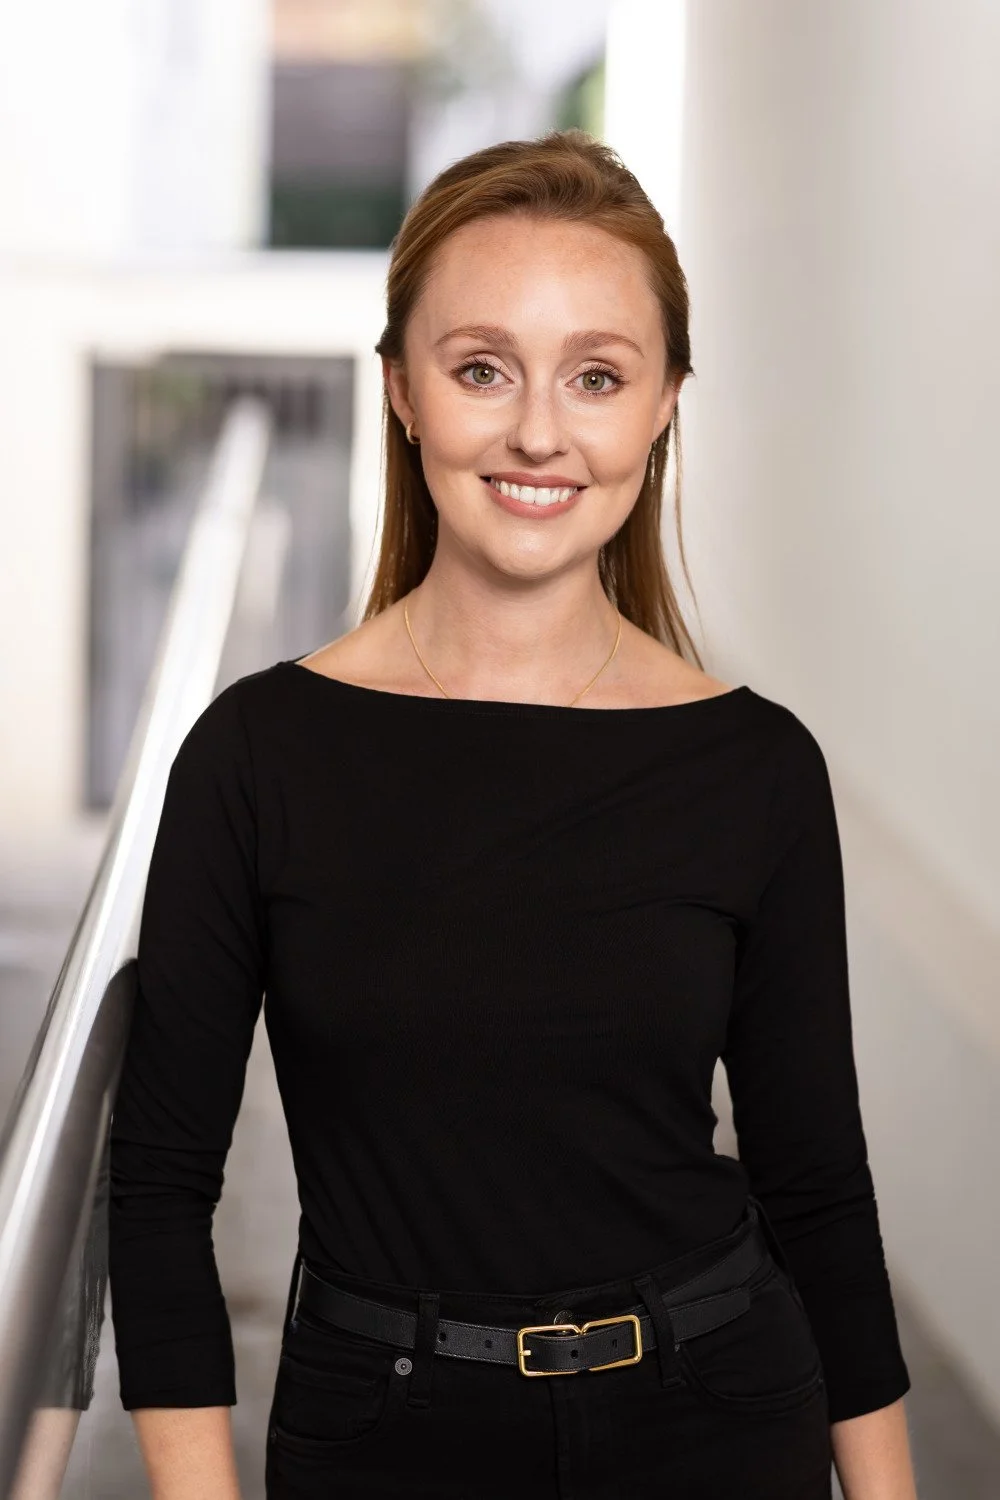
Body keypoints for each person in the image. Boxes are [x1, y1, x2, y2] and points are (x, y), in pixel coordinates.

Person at [108, 130, 916, 1499]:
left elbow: (818, 1190)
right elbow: (160, 1192)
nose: (540, 430)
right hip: (385, 1435)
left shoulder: (755, 768)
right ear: (403, 393)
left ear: (662, 406)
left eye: (597, 376)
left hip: (718, 1417)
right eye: (483, 368)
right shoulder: (257, 757)